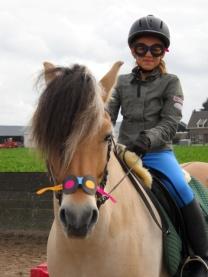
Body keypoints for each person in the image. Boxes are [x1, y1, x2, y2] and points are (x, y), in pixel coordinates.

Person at [108, 14, 208, 276]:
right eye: (142, 48)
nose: (148, 54)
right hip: (124, 153)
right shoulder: (121, 83)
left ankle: (200, 256)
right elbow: (108, 114)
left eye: (156, 49)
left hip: (157, 153)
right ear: (133, 50)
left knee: (181, 188)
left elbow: (171, 122)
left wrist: (147, 139)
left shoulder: (171, 82)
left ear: (164, 52)